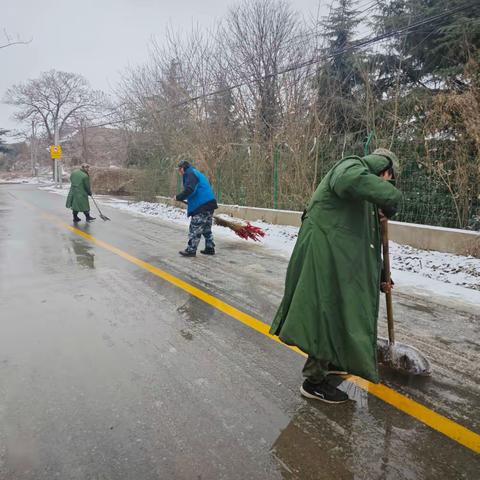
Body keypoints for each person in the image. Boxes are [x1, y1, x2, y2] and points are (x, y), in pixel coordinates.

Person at [270, 148, 402, 404]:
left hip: (335, 257)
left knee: (338, 310)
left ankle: (328, 362)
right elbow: (348, 180)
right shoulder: (351, 165)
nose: (385, 184)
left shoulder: (364, 201)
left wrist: (382, 273)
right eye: (388, 179)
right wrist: (390, 196)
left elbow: (368, 244)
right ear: (384, 170)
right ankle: (314, 381)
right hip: (322, 254)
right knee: (325, 313)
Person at [175, 160, 218, 257]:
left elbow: (190, 189)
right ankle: (210, 248)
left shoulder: (189, 173)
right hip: (209, 203)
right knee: (206, 229)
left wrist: (179, 197)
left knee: (195, 228)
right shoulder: (195, 173)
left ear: (182, 168)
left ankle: (191, 250)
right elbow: (195, 190)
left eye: (179, 169)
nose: (179, 172)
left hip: (201, 205)